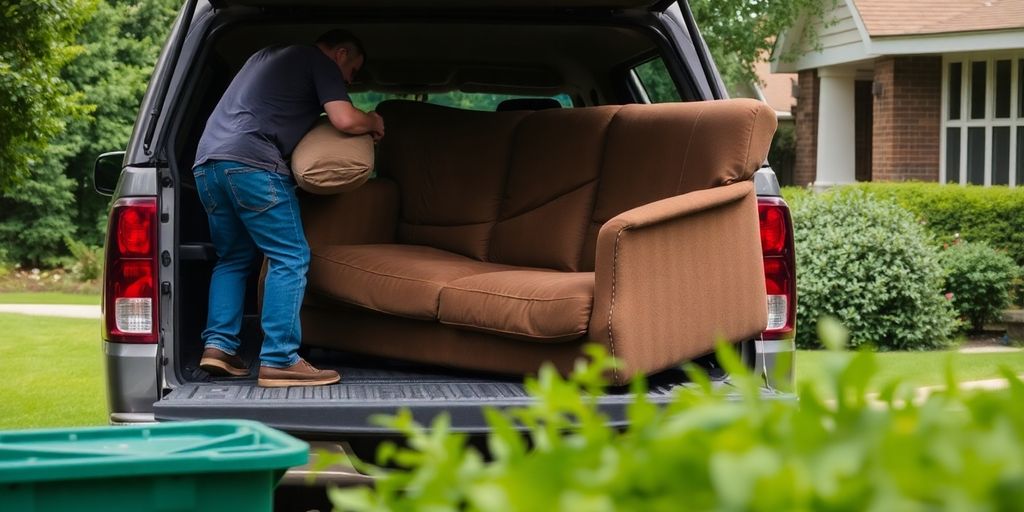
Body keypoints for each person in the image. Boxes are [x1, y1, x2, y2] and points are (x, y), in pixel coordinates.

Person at [192, 29, 384, 387]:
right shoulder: (319, 61)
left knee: (232, 258)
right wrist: (372, 121)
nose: (348, 81)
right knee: (290, 257)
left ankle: (218, 347)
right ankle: (280, 358)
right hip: (252, 164)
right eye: (353, 72)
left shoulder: (264, 56)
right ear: (341, 53)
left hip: (207, 165)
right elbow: (344, 119)